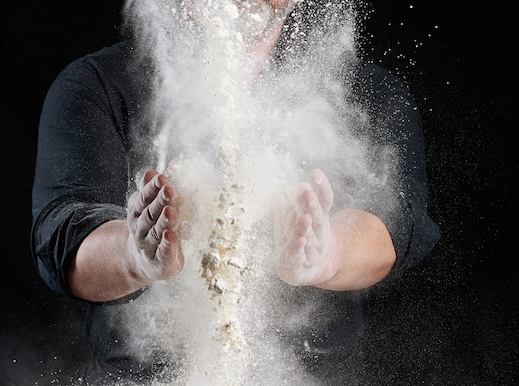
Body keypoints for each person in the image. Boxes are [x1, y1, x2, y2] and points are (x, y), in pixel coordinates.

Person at [31, 0, 440, 384]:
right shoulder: (96, 85)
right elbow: (62, 237)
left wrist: (328, 255)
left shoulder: (364, 92)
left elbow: (397, 225)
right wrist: (134, 257)